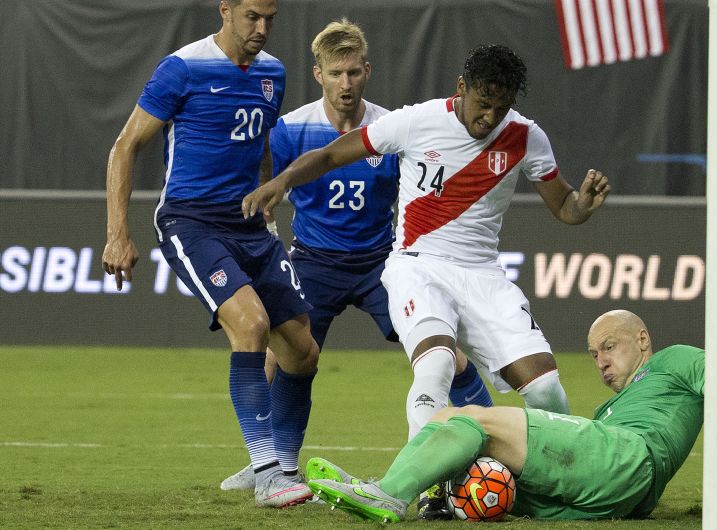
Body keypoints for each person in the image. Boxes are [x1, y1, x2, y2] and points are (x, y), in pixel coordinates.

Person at [241, 44, 611, 442]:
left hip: (483, 275)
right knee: (436, 366)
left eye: (499, 108)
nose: (489, 118)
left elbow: (565, 207)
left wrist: (582, 205)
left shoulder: (526, 136)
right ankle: (427, 489)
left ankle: (558, 478)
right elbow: (332, 156)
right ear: (461, 87)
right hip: (418, 267)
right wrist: (280, 182)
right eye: (482, 103)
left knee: (545, 390)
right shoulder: (418, 121)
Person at [218, 18, 494, 499]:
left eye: (353, 72)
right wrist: (263, 236)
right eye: (335, 73)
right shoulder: (290, 131)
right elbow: (260, 182)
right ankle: (275, 464)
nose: (345, 83)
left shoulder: (389, 128)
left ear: (367, 71)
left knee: (445, 353)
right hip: (311, 263)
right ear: (318, 75)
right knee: (284, 358)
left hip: (380, 265)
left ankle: (495, 447)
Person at [102, 0, 317, 508]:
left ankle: (280, 464)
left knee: (303, 351)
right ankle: (268, 473)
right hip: (190, 221)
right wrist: (117, 234)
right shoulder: (182, 68)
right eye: (251, 17)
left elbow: (261, 141)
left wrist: (266, 195)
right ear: (225, 10)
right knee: (251, 324)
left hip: (248, 224)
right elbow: (124, 146)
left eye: (270, 19)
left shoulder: (273, 73)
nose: (262, 29)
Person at [304, 310, 717, 523]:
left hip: (628, 458)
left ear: (642, 339)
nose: (601, 360)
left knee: (469, 419)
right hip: (619, 497)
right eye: (593, 353)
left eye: (610, 347)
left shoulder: (675, 361)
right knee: (479, 446)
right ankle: (442, 496)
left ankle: (391, 493)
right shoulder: (611, 409)